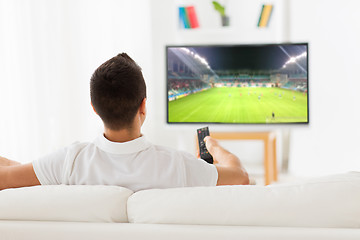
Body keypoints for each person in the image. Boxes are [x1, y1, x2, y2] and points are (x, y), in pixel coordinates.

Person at [0, 53, 249, 191]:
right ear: (143, 106)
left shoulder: (69, 162)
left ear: (94, 109)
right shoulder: (178, 166)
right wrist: (214, 147)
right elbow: (240, 176)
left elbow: (8, 178)